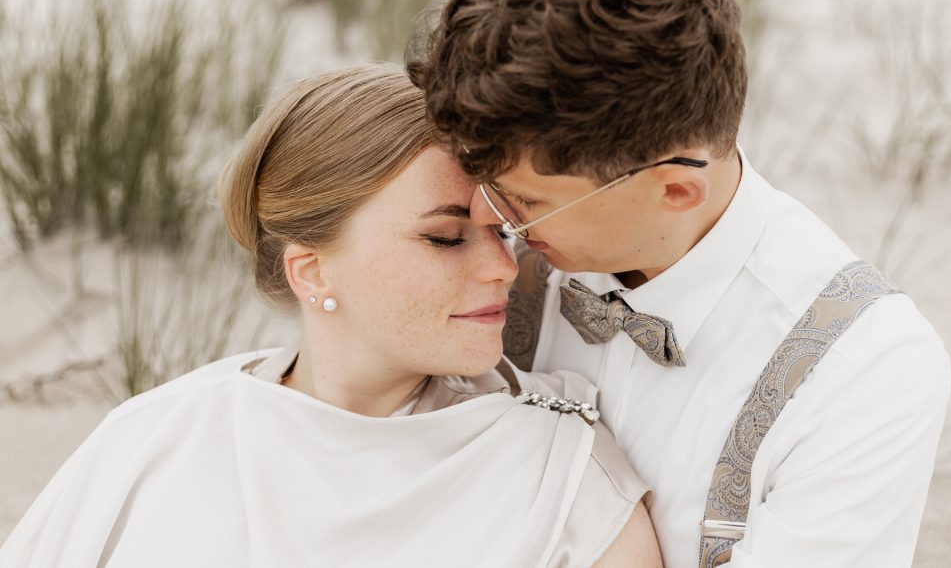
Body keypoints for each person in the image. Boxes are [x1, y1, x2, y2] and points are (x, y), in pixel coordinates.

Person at [408, 0, 951, 568]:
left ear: (675, 188)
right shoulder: (487, 259)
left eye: (525, 202)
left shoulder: (867, 369)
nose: (488, 222)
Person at [0, 66, 663, 568]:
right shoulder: (158, 438)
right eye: (445, 237)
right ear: (311, 270)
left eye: (503, 232)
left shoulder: (562, 470)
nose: (502, 268)